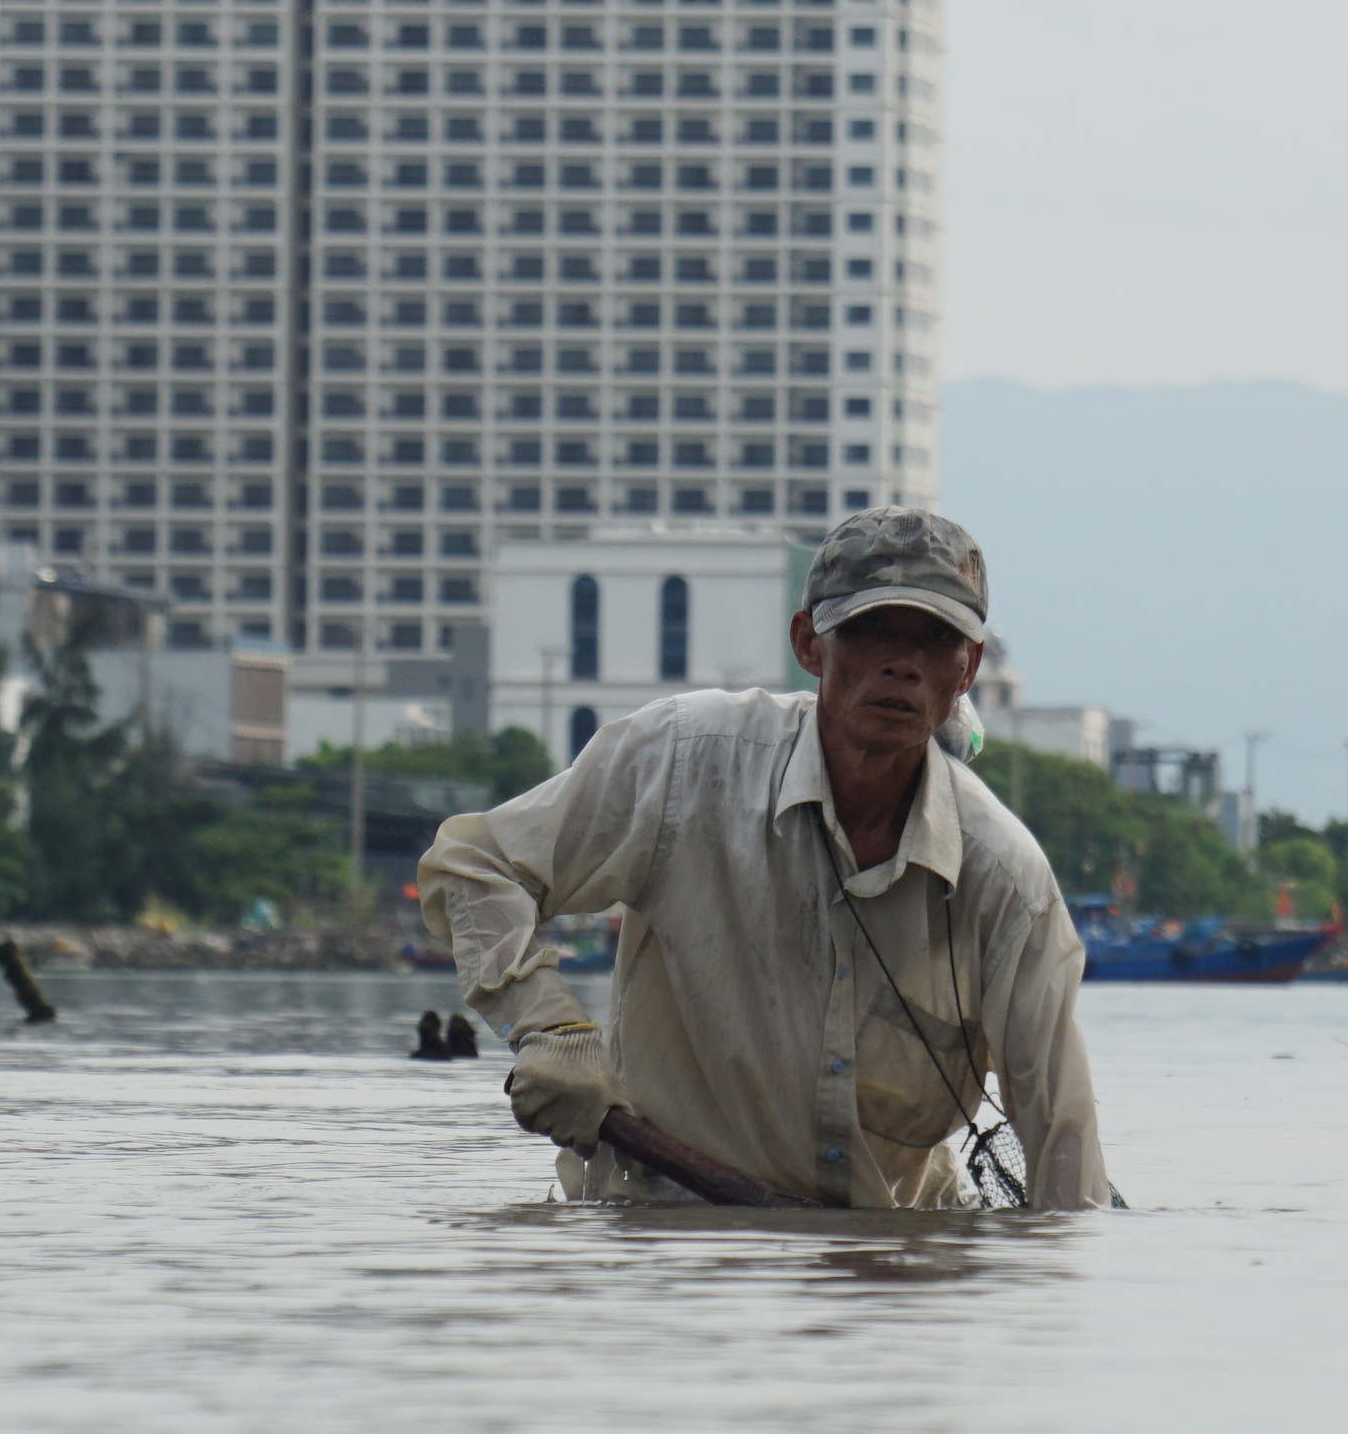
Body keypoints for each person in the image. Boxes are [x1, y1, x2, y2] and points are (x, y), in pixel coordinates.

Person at [416, 506, 1113, 1209]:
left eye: (936, 639)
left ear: (968, 669)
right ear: (809, 645)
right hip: (662, 1244)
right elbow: (475, 866)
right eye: (869, 630)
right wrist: (548, 1030)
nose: (902, 663)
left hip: (895, 1271)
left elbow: (1063, 1139)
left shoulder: (1005, 880)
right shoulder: (685, 765)